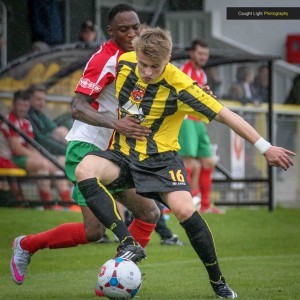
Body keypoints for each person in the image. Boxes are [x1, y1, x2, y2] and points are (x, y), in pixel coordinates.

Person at [75, 27, 295, 299]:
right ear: (136, 53)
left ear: (167, 60)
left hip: (161, 162)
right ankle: (128, 242)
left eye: (154, 67)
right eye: (143, 63)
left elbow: (227, 116)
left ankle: (218, 282)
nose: (146, 71)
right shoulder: (124, 61)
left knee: (185, 211)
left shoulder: (181, 85)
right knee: (84, 169)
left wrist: (266, 147)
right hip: (124, 155)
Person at [10, 4, 160, 292]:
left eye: (135, 27)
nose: (131, 33)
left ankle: (118, 275)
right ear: (110, 31)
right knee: (93, 232)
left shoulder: (141, 59)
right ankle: (26, 245)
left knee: (150, 214)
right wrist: (116, 125)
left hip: (114, 154)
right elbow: (77, 107)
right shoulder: (105, 58)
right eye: (123, 28)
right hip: (87, 149)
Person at [1, 90, 72, 207]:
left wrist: (40, 157)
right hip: (8, 159)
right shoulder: (8, 121)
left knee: (51, 164)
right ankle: (48, 204)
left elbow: (31, 146)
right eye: (20, 105)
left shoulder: (25, 123)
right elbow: (16, 149)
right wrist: (39, 158)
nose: (23, 109)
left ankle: (66, 201)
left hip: (21, 157)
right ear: (13, 105)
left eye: (25, 106)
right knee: (44, 164)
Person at [178, 39, 224, 214]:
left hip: (199, 121)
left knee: (208, 161)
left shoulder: (203, 74)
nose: (203, 57)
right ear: (191, 53)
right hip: (186, 120)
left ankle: (205, 205)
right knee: (188, 162)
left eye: (206, 54)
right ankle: (188, 205)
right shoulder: (184, 70)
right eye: (200, 53)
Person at [26, 84, 68, 156]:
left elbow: (53, 128)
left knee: (61, 130)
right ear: (30, 99)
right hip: (39, 151)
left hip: (49, 148)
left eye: (44, 100)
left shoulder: (39, 114)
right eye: (38, 99)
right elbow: (41, 140)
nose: (42, 103)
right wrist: (66, 151)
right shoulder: (27, 115)